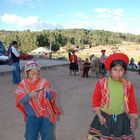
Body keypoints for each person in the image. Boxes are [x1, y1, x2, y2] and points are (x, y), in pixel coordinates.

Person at [87, 53, 138, 140]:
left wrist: (133, 120)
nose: (118, 73)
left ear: (124, 71)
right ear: (110, 70)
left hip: (121, 119)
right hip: (104, 117)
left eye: (121, 70)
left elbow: (132, 103)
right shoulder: (102, 83)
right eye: (115, 69)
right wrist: (99, 115)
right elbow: (96, 100)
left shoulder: (128, 85)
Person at [15, 60, 61, 140]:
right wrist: (29, 95)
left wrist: (48, 92)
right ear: (26, 73)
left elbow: (51, 97)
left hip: (45, 116)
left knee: (48, 136)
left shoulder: (44, 82)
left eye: (38, 73)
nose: (36, 75)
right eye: (32, 73)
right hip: (31, 117)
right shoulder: (23, 84)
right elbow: (20, 100)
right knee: (30, 137)